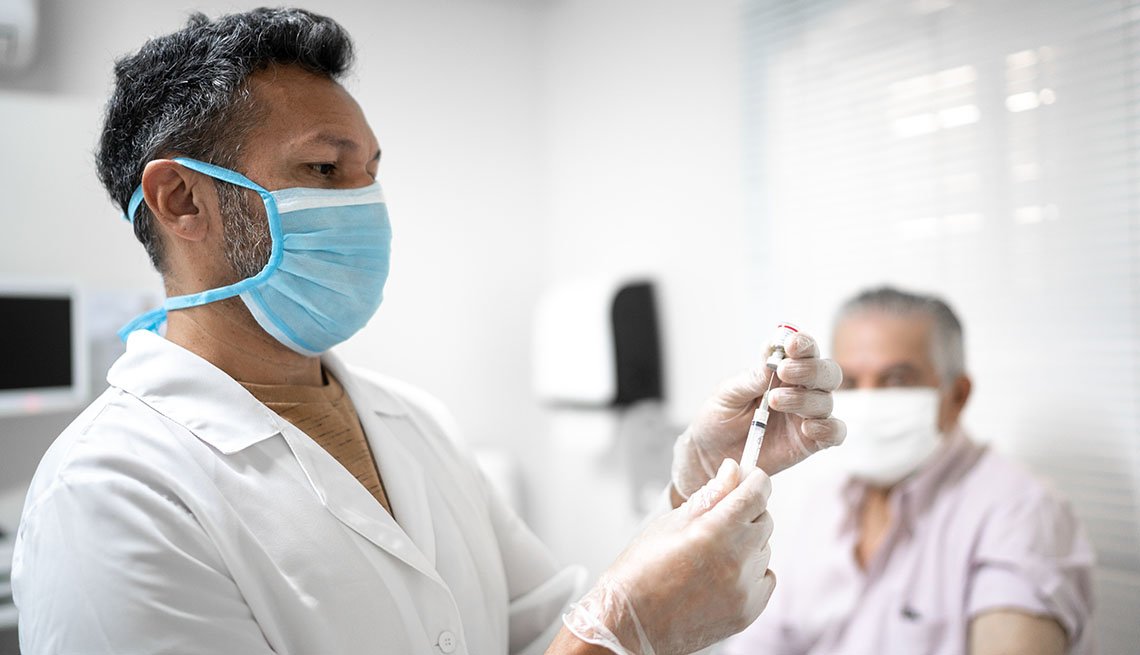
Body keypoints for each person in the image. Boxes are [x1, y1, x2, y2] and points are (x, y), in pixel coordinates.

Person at [11, 9, 846, 655]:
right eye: (324, 171)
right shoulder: (108, 497)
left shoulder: (413, 423)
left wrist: (692, 498)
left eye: (370, 174)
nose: (363, 207)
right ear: (182, 201)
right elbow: (597, 636)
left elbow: (552, 627)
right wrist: (616, 638)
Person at [720, 287, 1095, 655]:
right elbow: (766, 640)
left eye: (896, 380)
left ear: (957, 395)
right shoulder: (825, 501)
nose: (866, 400)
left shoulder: (1020, 514)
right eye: (849, 382)